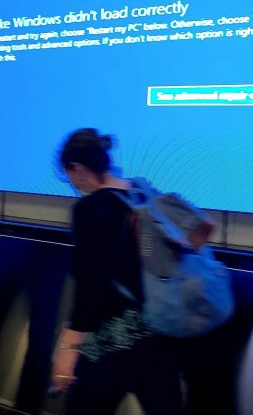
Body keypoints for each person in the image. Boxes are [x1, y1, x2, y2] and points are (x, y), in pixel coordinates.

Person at [50, 128, 183, 415]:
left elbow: (90, 284)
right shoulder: (143, 192)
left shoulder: (90, 210)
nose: (73, 183)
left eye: (69, 176)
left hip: (112, 341)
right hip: (160, 333)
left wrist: (68, 348)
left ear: (79, 168)